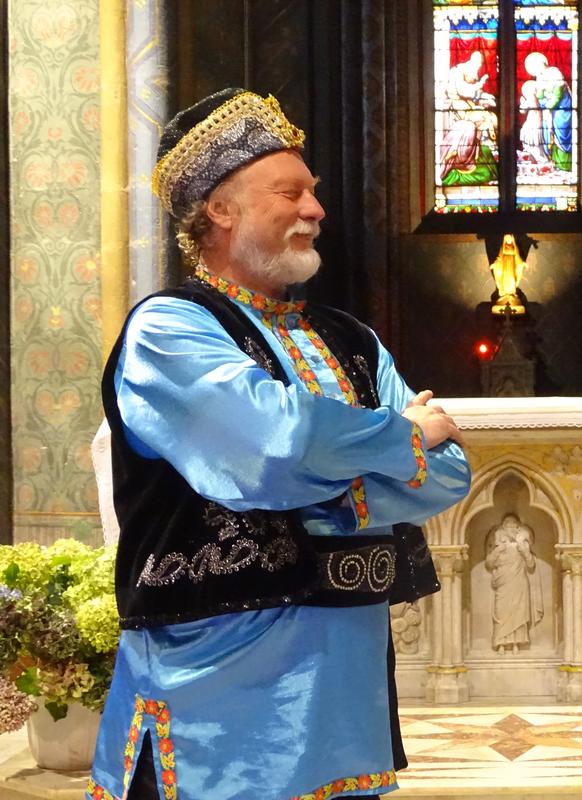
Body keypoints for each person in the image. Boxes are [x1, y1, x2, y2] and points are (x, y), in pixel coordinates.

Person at [87, 88, 471, 800]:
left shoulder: (352, 339)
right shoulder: (168, 330)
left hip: (347, 692)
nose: (316, 209)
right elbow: (274, 449)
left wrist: (334, 473)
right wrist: (401, 439)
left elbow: (449, 474)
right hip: (214, 698)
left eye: (313, 192)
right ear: (220, 210)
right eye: (290, 192)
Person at [485, 514, 543, 654]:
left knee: (518, 613)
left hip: (519, 583)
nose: (511, 529)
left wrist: (525, 551)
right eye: (507, 526)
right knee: (501, 613)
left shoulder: (522, 545)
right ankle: (501, 643)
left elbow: (531, 564)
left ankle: (516, 643)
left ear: (518, 528)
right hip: (503, 583)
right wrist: (497, 550)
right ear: (503, 528)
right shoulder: (498, 545)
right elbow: (489, 564)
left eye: (513, 526)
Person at [524, 52, 573, 171]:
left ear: (541, 63)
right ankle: (552, 160)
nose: (535, 72)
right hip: (549, 110)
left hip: (562, 110)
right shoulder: (540, 77)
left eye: (535, 68)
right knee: (547, 131)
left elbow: (557, 96)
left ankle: (565, 165)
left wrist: (546, 107)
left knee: (562, 133)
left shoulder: (555, 73)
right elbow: (540, 96)